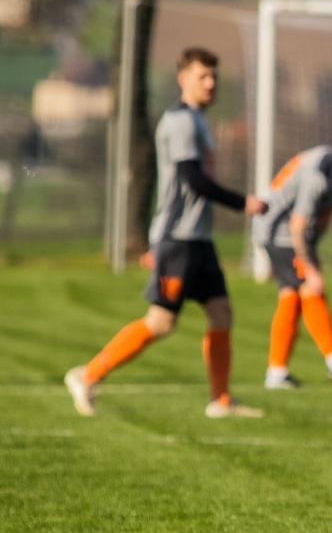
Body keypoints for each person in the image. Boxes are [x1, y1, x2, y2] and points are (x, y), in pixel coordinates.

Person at [66, 48, 267, 419]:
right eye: (202, 76)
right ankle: (88, 375)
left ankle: (221, 401)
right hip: (178, 239)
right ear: (183, 78)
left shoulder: (198, 121)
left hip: (198, 239)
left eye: (214, 77)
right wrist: (244, 203)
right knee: (161, 322)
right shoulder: (180, 123)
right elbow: (192, 180)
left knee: (221, 313)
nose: (210, 83)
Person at [256, 113, 332, 389]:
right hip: (280, 232)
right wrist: (310, 267)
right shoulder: (319, 173)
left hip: (289, 234)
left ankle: (276, 374)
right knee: (312, 287)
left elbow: (320, 217)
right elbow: (298, 224)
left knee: (290, 297)